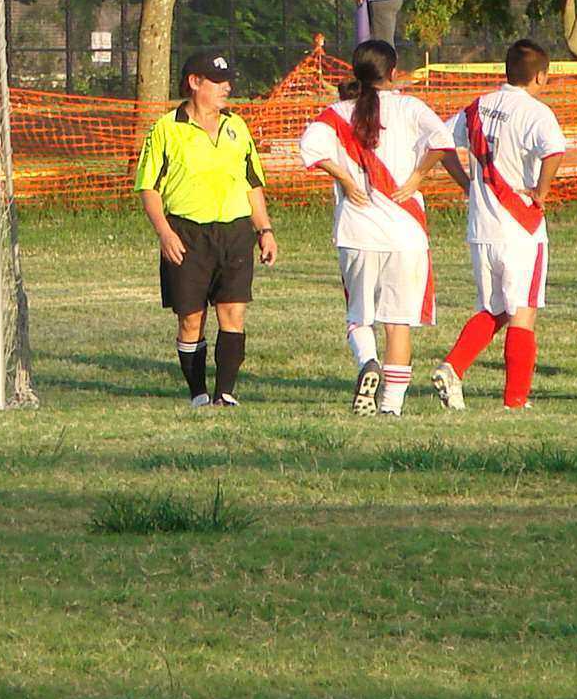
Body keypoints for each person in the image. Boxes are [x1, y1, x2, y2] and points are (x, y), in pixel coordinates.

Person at [299, 38, 452, 416]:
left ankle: (368, 362)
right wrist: (417, 177)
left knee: (359, 316)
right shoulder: (411, 106)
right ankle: (390, 408)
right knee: (398, 323)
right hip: (406, 232)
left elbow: (310, 148)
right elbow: (443, 141)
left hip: (358, 230)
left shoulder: (337, 113)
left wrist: (346, 180)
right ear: (394, 73)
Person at [134, 48, 278, 408]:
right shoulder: (166, 130)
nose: (225, 87)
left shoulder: (236, 126)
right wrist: (165, 233)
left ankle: (225, 393)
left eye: (227, 81)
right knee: (191, 319)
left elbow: (252, 183)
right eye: (217, 81)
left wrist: (264, 230)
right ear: (194, 82)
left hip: (234, 233)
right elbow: (148, 187)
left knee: (233, 311)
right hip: (187, 235)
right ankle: (198, 392)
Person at [430, 38, 567, 413]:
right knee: (522, 313)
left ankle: (452, 367)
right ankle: (516, 400)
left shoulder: (478, 107)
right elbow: (555, 150)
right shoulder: (536, 112)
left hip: (482, 229)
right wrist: (542, 190)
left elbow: (440, 142)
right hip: (520, 227)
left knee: (494, 308)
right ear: (540, 76)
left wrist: (465, 181)